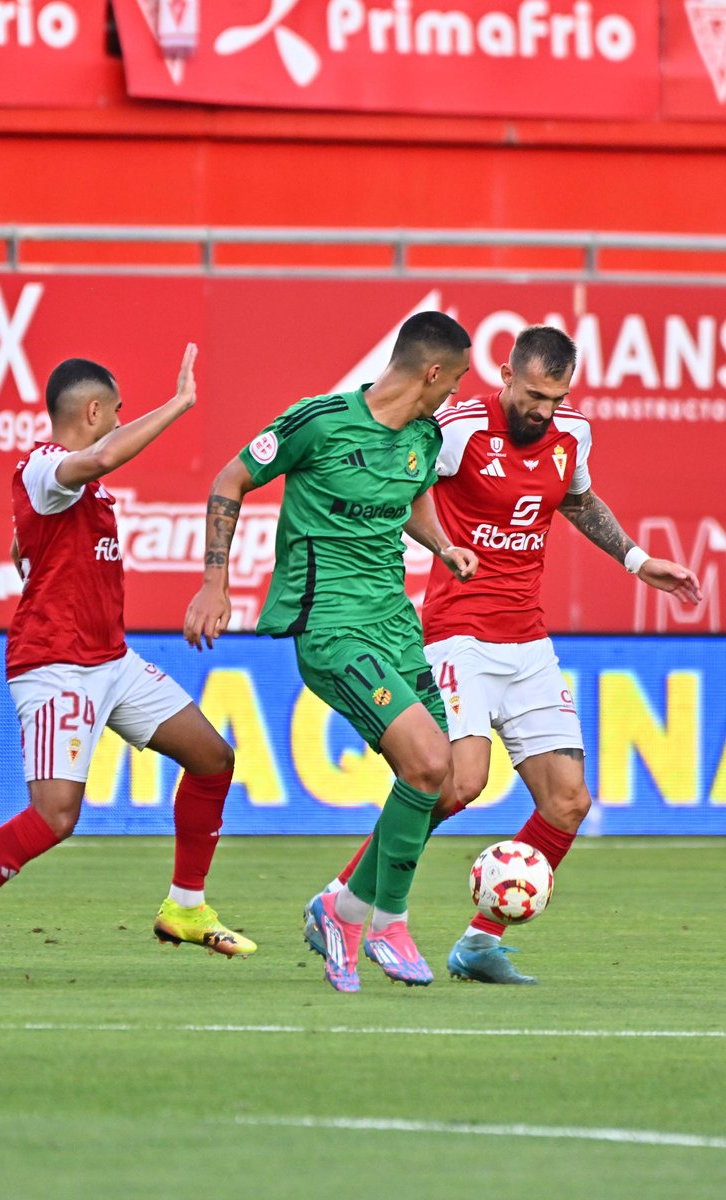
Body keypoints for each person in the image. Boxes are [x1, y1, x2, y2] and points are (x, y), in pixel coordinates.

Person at [304, 324, 702, 985]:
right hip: (457, 634)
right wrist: (436, 547)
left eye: (557, 397)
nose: (543, 410)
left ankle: (479, 942)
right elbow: (401, 487)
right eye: (535, 395)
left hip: (528, 641)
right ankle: (342, 902)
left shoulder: (571, 434)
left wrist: (636, 559)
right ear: (507, 377)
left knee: (569, 802)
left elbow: (576, 499)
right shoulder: (459, 427)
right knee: (460, 783)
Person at [0, 345, 257, 989]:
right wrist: (179, 404)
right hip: (57, 668)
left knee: (213, 758)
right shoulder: (45, 466)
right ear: (95, 410)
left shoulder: (74, 489)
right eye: (118, 413)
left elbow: (31, 541)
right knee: (54, 816)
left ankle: (184, 908)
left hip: (111, 659)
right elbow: (99, 457)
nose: (120, 423)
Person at [184, 312, 478, 992]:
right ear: (432, 372)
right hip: (331, 629)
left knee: (458, 781)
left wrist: (442, 545)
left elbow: (413, 496)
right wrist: (213, 583)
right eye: (456, 378)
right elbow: (230, 480)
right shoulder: (317, 421)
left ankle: (341, 909)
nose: (457, 392)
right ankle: (387, 921)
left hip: (394, 627)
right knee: (428, 761)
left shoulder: (424, 437)